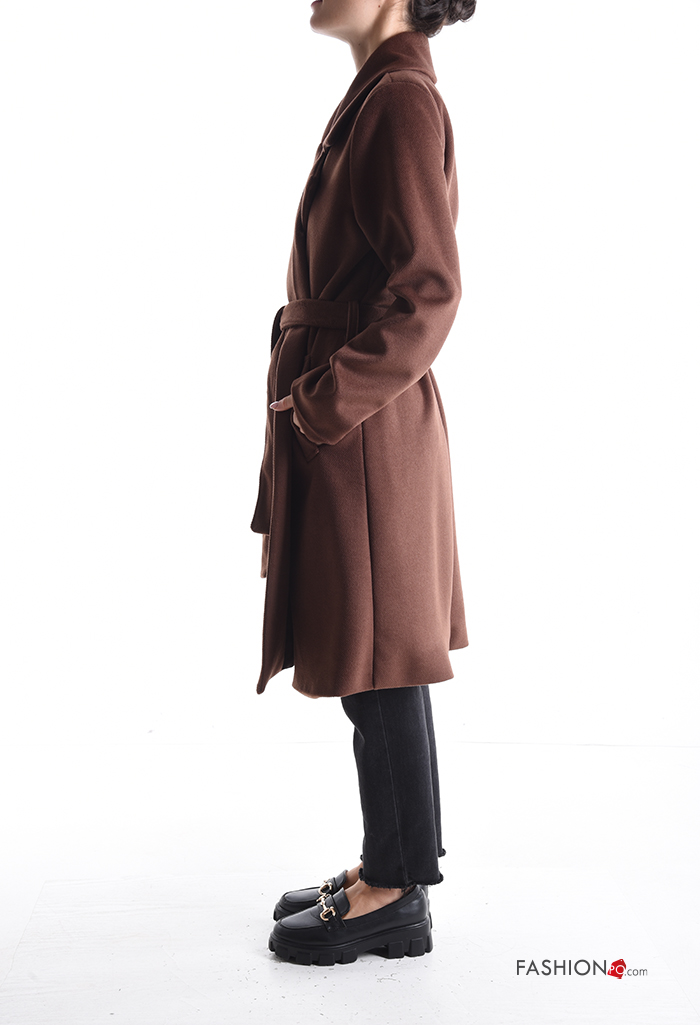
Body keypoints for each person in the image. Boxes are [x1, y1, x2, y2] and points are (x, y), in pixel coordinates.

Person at [250, 0, 475, 966]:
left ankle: (394, 894)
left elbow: (429, 292)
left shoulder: (399, 100)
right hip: (357, 426)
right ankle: (393, 865)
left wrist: (321, 404)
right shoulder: (381, 94)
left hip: (364, 429)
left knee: (380, 662)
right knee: (375, 663)